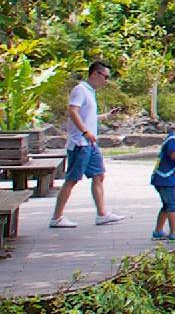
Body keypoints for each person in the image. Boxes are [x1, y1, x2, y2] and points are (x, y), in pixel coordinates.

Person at [49, 61, 127, 228]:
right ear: (94, 74)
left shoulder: (90, 92)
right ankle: (57, 217)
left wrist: (106, 116)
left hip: (90, 143)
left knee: (99, 176)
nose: (106, 81)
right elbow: (73, 111)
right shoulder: (80, 90)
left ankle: (102, 214)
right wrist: (85, 131)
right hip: (80, 143)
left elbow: (88, 116)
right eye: (105, 77)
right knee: (72, 179)